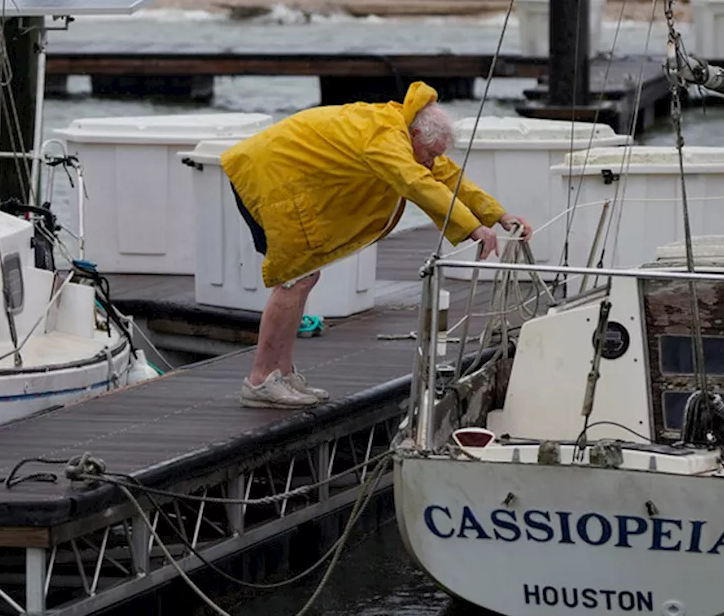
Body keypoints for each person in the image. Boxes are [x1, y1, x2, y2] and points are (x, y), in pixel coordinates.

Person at [221, 80, 533, 409]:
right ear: (415, 137)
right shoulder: (386, 138)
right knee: (293, 279)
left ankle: (281, 374)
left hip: (282, 176)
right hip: (267, 177)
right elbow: (417, 183)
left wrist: (498, 215)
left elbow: (446, 177)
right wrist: (473, 229)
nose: (430, 162)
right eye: (429, 154)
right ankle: (261, 380)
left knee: (303, 277)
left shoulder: (403, 127)